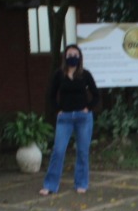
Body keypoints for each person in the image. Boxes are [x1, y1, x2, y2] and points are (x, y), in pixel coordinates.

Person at [40, 44, 99, 196]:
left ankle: (81, 183)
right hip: (65, 118)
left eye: (75, 54)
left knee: (82, 152)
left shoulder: (85, 74)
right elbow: (51, 95)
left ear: (79, 57)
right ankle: (50, 185)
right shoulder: (59, 75)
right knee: (58, 151)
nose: (72, 57)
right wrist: (58, 110)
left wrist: (88, 108)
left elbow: (96, 94)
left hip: (83, 118)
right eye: (69, 54)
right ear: (65, 57)